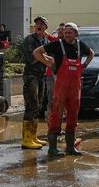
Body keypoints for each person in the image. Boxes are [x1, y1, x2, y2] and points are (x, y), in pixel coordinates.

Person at [34, 23, 94, 157]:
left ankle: (70, 148)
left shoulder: (80, 45)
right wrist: (49, 63)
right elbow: (37, 52)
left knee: (72, 117)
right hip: (61, 89)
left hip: (75, 90)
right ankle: (52, 149)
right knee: (56, 116)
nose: (67, 35)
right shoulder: (57, 44)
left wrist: (84, 65)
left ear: (76, 34)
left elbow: (91, 54)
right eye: (65, 32)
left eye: (70, 32)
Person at [20, 16, 50, 149]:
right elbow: (31, 57)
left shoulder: (46, 40)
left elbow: (45, 56)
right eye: (37, 23)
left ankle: (33, 136)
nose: (39, 25)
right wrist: (47, 59)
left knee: (38, 106)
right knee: (31, 105)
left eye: (42, 24)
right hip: (31, 75)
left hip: (41, 76)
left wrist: (44, 57)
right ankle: (26, 139)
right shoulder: (29, 39)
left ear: (45, 27)